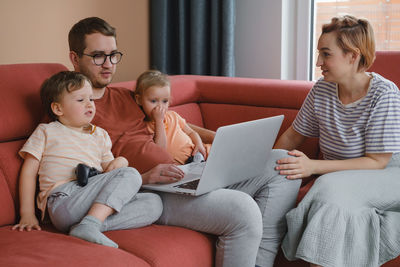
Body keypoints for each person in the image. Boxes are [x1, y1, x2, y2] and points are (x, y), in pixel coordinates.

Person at [68, 16, 301, 267]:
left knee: (284, 162)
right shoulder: (72, 108)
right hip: (148, 191)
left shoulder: (128, 96)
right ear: (74, 58)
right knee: (242, 209)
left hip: (184, 173)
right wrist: (141, 178)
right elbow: (82, 173)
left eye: (113, 55)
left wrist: (221, 138)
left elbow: (174, 121)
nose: (108, 64)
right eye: (98, 56)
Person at [274, 15, 400, 267]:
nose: (319, 62)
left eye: (326, 54)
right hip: (338, 177)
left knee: (327, 192)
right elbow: (293, 135)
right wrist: (266, 161)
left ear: (353, 56)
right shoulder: (322, 89)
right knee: (333, 198)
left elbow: (377, 162)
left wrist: (313, 167)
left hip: (388, 174)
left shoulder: (384, 94)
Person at [12, 71, 162, 249]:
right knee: (131, 174)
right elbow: (28, 172)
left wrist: (120, 161)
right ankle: (90, 224)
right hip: (63, 200)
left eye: (91, 99)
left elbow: (110, 171)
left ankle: (89, 225)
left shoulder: (100, 134)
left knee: (154, 203)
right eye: (80, 100)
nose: (89, 104)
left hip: (91, 200)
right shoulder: (47, 131)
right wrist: (27, 213)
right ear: (58, 109)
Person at [134, 70, 211, 164]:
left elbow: (191, 132)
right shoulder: (144, 127)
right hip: (184, 166)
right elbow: (160, 150)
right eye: (153, 101)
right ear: (139, 100)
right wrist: (159, 122)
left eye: (165, 101)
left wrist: (199, 144)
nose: (160, 106)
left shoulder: (173, 116)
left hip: (200, 154)